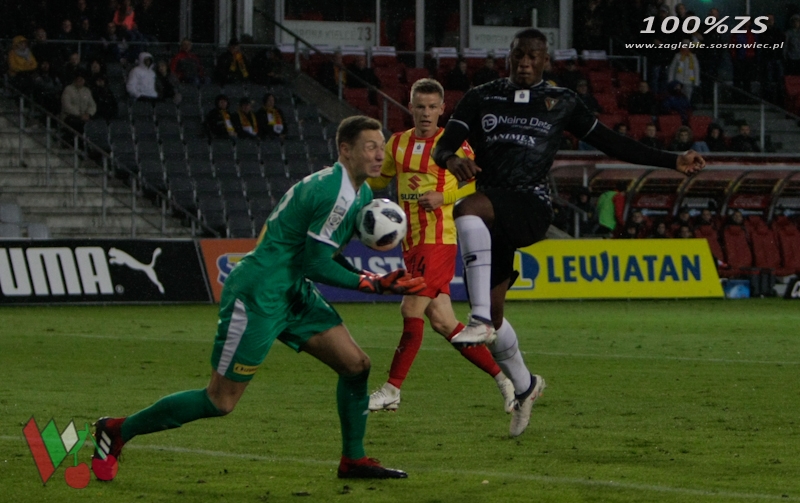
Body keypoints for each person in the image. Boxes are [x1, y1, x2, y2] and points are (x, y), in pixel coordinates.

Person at [91, 115, 423, 482]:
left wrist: (372, 279)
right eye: (370, 147)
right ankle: (117, 430)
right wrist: (373, 284)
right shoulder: (334, 192)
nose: (379, 155)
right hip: (258, 294)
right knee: (220, 400)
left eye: (381, 146)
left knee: (356, 366)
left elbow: (323, 255)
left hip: (292, 290)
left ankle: (353, 460)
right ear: (345, 150)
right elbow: (315, 264)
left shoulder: (360, 193)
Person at [430, 28, 705, 437]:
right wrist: (451, 159)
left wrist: (671, 159)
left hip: (530, 203)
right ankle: (525, 385)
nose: (525, 62)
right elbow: (442, 147)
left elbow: (611, 143)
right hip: (493, 219)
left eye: (533, 56)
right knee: (497, 314)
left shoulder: (562, 102)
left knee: (465, 208)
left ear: (546, 61)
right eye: (518, 54)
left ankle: (479, 319)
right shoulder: (481, 97)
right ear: (508, 57)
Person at [365, 78, 515, 413]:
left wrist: (443, 196)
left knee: (410, 309)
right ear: (411, 107)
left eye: (432, 107)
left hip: (439, 239)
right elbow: (380, 179)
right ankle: (506, 382)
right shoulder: (397, 143)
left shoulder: (454, 145)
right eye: (420, 106)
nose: (426, 113)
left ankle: (392, 389)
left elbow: (475, 184)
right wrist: (355, 174)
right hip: (411, 242)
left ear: (442, 109)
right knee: (445, 323)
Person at [61, 72, 96, 139]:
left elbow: (92, 105)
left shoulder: (87, 91)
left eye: (82, 79)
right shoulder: (68, 89)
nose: (80, 81)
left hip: (84, 117)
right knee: (78, 124)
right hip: (70, 116)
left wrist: (89, 114)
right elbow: (66, 105)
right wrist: (79, 115)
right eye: (78, 79)